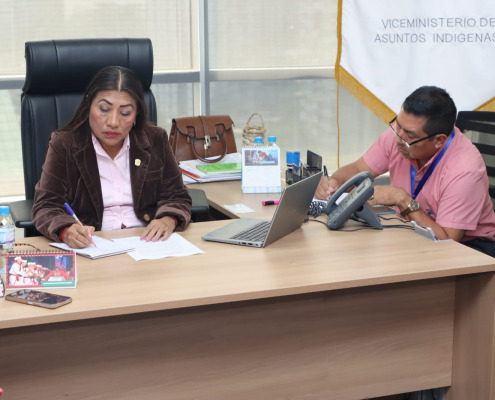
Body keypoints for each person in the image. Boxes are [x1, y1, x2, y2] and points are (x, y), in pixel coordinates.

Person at [316, 85, 495, 257]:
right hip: (412, 231)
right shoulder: (401, 135)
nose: (398, 139)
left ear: (439, 140)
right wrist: (334, 183)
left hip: (469, 249)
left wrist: (402, 199)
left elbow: (447, 243)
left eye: (409, 136)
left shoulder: (465, 170)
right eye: (398, 125)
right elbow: (357, 169)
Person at [32, 66, 192, 248]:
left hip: (149, 243)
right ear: (88, 104)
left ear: (136, 114)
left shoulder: (155, 139)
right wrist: (66, 230)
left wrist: (168, 219)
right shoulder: (64, 145)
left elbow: (177, 196)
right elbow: (46, 206)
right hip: (93, 245)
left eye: (125, 113)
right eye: (104, 109)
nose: (113, 122)